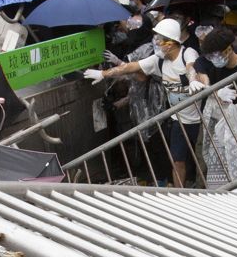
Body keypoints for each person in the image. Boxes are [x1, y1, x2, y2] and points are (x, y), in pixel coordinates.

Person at [85, 18, 210, 186]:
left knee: (203, 158)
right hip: (178, 120)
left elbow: (191, 66)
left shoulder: (187, 53)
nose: (156, 43)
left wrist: (193, 79)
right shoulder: (158, 59)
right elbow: (131, 67)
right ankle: (180, 196)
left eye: (160, 39)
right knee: (177, 160)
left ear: (171, 43)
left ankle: (208, 191)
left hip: (199, 120)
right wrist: (104, 74)